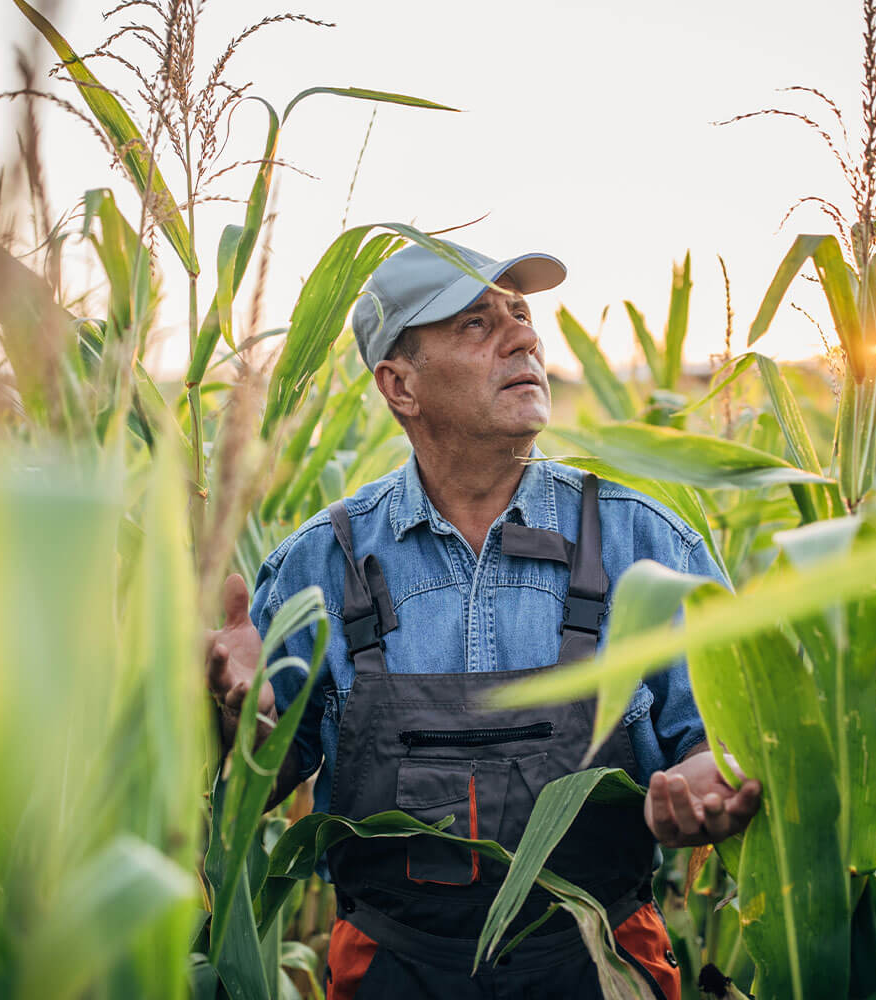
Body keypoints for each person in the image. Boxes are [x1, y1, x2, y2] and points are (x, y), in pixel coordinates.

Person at [206, 240, 761, 1000]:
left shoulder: (649, 548)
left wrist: (709, 781)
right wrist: (237, 723)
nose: (524, 337)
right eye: (474, 323)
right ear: (400, 385)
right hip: (389, 975)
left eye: (521, 314)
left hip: (602, 969)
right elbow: (251, 787)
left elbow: (732, 738)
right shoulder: (319, 568)